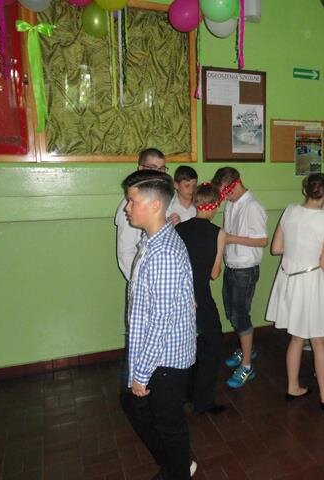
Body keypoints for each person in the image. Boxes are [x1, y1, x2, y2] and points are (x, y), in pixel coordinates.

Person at [118, 169, 197, 480]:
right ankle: (176, 467)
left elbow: (161, 321)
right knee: (137, 408)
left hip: (166, 358)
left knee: (168, 423)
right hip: (157, 353)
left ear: (154, 205)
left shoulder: (163, 252)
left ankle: (177, 471)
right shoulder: (151, 241)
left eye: (132, 201)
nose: (127, 207)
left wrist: (141, 373)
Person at [266, 173, 324, 408]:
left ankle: (292, 387)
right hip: (311, 280)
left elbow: (276, 248)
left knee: (297, 337)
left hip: (289, 277)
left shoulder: (290, 210)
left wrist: (296, 251)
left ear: (305, 190)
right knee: (318, 340)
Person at [212, 167, 268, 389]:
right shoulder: (231, 204)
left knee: (240, 316)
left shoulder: (253, 206)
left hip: (246, 269)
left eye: (227, 192)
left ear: (236, 183)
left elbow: (262, 241)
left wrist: (231, 239)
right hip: (232, 266)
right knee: (232, 313)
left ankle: (247, 365)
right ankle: (247, 349)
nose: (225, 197)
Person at [175, 182, 226, 415]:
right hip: (202, 296)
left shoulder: (179, 229)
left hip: (181, 295)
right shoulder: (218, 233)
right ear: (214, 205)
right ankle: (203, 401)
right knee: (213, 344)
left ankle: (186, 392)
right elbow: (214, 274)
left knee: (188, 344)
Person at [115, 148, 168, 282]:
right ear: (141, 169)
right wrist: (141, 284)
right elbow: (125, 254)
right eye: (153, 168)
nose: (158, 173)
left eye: (162, 169)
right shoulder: (132, 207)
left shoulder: (163, 198)